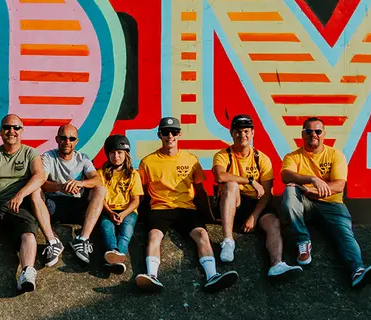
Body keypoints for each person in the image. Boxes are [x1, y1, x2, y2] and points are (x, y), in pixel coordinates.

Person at [135, 117, 237, 293]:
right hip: (160, 208)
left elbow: (200, 190)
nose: (170, 136)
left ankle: (212, 276)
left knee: (202, 234)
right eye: (166, 132)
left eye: (174, 132)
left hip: (186, 208)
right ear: (159, 135)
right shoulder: (147, 162)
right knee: (153, 236)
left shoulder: (191, 159)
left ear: (179, 134)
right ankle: (152, 276)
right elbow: (141, 192)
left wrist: (209, 216)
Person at [281, 117, 371, 289]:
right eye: (309, 131)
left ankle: (357, 271)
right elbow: (286, 175)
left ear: (324, 134)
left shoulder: (335, 155)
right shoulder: (293, 156)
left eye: (318, 131)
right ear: (302, 134)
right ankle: (302, 241)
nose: (313, 134)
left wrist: (309, 190)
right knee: (289, 191)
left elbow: (339, 185)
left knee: (345, 234)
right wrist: (313, 179)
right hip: (304, 204)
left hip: (332, 205)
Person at [212, 115, 302, 279]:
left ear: (252, 133)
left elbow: (266, 194)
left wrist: (254, 216)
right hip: (235, 202)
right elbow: (220, 176)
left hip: (256, 203)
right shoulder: (223, 155)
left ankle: (276, 265)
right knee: (231, 185)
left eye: (246, 131)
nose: (242, 135)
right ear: (231, 133)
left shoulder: (262, 158)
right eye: (238, 131)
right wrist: (250, 181)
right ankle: (228, 241)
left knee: (273, 222)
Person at [0, 114, 48, 293]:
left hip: (19, 204)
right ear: (0, 131)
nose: (11, 131)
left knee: (29, 233)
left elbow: (40, 176)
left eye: (16, 127)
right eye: (6, 127)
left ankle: (27, 272)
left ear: (22, 130)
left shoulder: (30, 153)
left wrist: (20, 195)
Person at [40, 123, 106, 264]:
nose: (67, 142)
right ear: (57, 139)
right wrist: (60, 187)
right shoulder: (48, 157)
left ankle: (82, 239)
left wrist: (80, 183)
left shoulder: (83, 158)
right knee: (35, 190)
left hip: (77, 204)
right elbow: (41, 182)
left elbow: (97, 179)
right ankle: (52, 242)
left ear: (77, 141)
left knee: (100, 189)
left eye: (71, 139)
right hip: (54, 204)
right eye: (63, 138)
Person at [97, 134, 142, 275]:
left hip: (127, 210)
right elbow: (99, 198)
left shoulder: (133, 174)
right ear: (107, 154)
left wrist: (123, 214)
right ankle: (113, 252)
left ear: (126, 154)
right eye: (112, 153)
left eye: (119, 153)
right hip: (107, 209)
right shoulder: (101, 173)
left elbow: (136, 201)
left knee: (126, 231)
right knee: (106, 228)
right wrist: (110, 212)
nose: (116, 156)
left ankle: (118, 256)